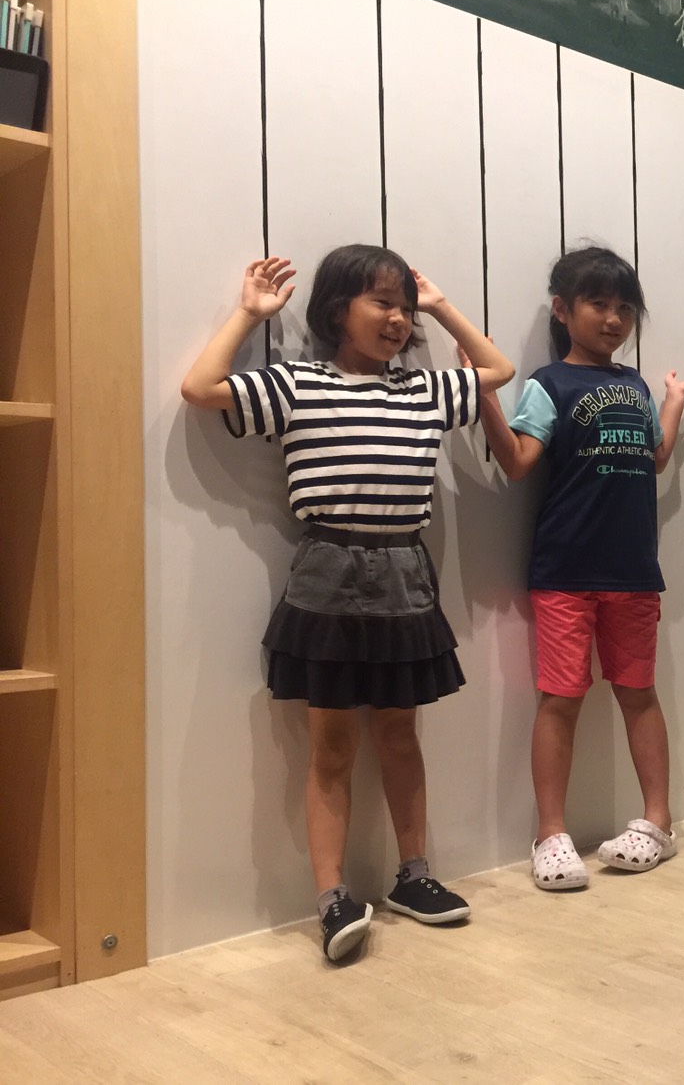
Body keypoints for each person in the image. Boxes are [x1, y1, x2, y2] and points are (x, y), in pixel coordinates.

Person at [180, 246, 516, 961]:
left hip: (404, 571)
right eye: (382, 303)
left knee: (399, 733)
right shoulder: (298, 384)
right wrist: (249, 313)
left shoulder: (424, 389)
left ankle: (414, 876)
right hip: (326, 570)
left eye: (403, 306)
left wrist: (440, 305)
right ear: (337, 310)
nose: (397, 318)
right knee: (331, 745)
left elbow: (498, 370)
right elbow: (200, 388)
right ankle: (332, 897)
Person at [477, 246, 684, 891]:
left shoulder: (634, 385)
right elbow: (518, 462)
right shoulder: (549, 384)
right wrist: (486, 395)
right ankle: (551, 835)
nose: (613, 319)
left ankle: (658, 823)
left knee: (639, 694)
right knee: (560, 700)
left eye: (625, 308)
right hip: (565, 571)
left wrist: (673, 399)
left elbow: (656, 457)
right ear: (562, 309)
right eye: (598, 304)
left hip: (633, 573)